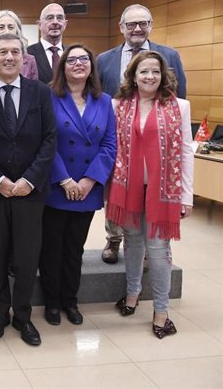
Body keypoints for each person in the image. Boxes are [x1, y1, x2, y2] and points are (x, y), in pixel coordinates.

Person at [106, 50, 193, 339]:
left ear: (164, 74)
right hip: (128, 188)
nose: (150, 76)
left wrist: (186, 195)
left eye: (155, 71)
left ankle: (161, 310)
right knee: (132, 241)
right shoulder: (118, 105)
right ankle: (132, 294)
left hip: (163, 191)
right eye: (143, 71)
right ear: (133, 75)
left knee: (158, 250)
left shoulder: (179, 106)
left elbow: (185, 153)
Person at [0, 33, 56, 347]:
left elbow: (50, 139)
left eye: (14, 52)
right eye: (2, 52)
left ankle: (22, 316)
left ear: (23, 58)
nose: (9, 57)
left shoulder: (40, 93)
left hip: (30, 192)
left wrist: (29, 180)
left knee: (26, 257)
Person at [98, 4, 188, 264]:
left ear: (151, 24)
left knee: (151, 194)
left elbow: (179, 96)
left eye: (143, 23)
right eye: (131, 24)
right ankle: (113, 239)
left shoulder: (169, 55)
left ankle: (151, 246)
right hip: (120, 141)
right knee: (117, 192)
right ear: (121, 28)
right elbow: (99, 98)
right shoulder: (105, 59)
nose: (137, 28)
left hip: (156, 142)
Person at [39, 44, 116, 326]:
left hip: (87, 188)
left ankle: (70, 301)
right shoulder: (49, 96)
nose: (78, 64)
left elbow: (109, 145)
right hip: (58, 185)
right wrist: (65, 179)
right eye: (71, 60)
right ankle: (51, 302)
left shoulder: (104, 100)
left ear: (91, 66)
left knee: (75, 248)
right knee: (52, 248)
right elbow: (47, 141)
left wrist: (89, 180)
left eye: (84, 59)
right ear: (63, 67)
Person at [26, 3, 68, 84]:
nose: (55, 22)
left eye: (59, 18)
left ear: (65, 24)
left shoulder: (71, 53)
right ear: (39, 24)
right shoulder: (27, 53)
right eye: (50, 18)